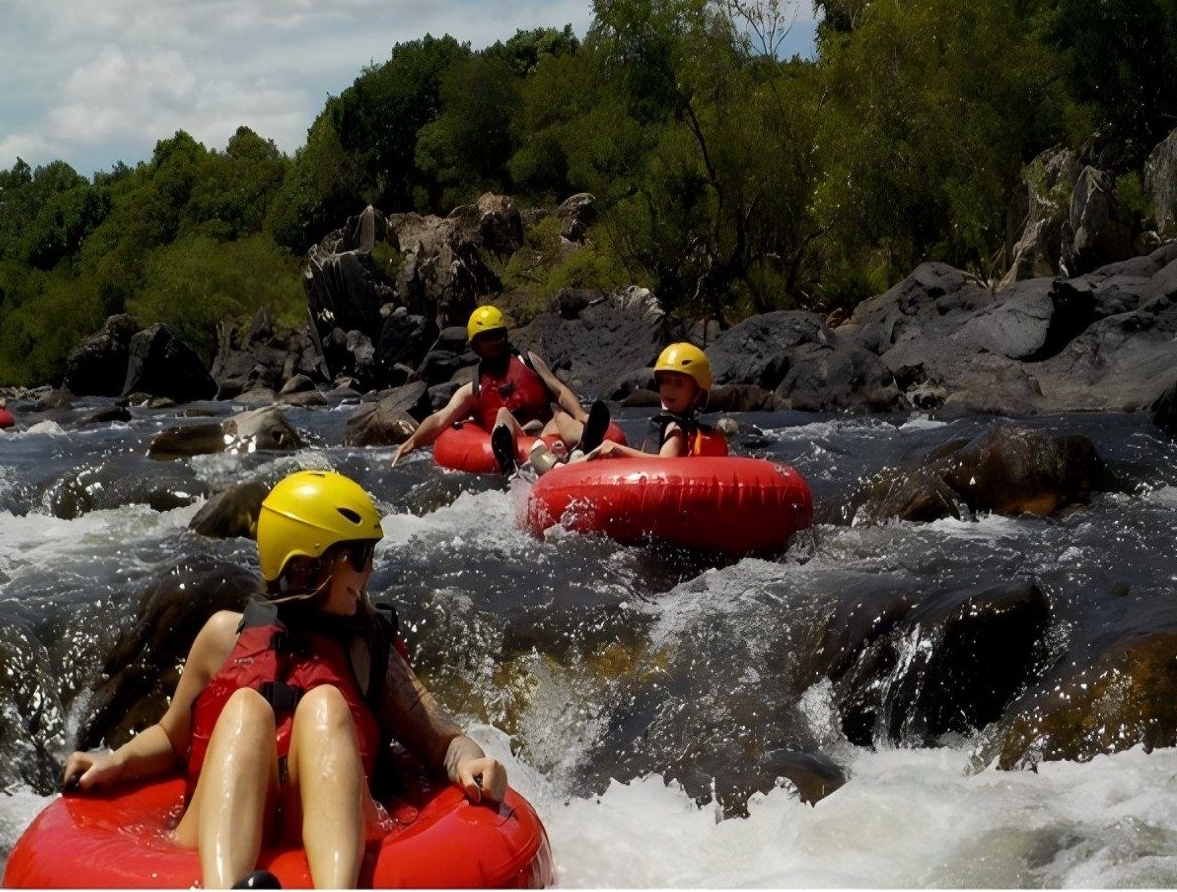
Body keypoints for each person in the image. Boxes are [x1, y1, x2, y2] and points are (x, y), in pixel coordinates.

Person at [62, 471, 508, 890]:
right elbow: (170, 737)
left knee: (325, 704)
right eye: (357, 556)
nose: (368, 570)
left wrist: (470, 762)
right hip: (223, 824)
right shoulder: (223, 636)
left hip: (328, 824)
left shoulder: (368, 646)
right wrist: (116, 760)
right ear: (304, 567)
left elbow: (443, 741)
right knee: (245, 708)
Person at [390, 305, 609, 471]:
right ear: (476, 344)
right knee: (503, 414)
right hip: (516, 435)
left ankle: (586, 440)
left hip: (546, 428)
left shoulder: (528, 361)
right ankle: (506, 458)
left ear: (504, 335)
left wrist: (580, 414)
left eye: (497, 335)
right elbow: (440, 419)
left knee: (561, 416)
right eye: (487, 338)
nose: (494, 342)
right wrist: (412, 442)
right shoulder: (472, 390)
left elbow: (559, 390)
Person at [531, 343, 726, 473]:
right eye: (665, 382)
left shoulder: (675, 428)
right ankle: (575, 454)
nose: (669, 389)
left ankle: (559, 469)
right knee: (605, 451)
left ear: (698, 393)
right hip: (646, 477)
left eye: (678, 383)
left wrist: (619, 450)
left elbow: (667, 463)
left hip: (654, 481)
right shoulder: (677, 424)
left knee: (607, 450)